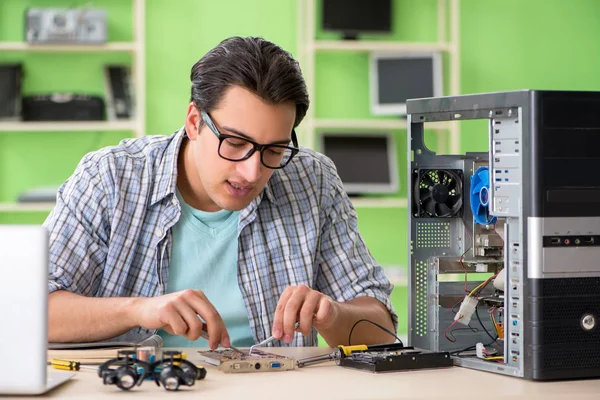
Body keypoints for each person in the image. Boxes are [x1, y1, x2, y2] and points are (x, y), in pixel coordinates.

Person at [45, 36, 397, 350]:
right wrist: (140, 308)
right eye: (235, 142)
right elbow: (31, 310)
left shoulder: (312, 179)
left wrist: (333, 314)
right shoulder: (109, 177)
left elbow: (382, 332)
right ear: (194, 122)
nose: (252, 172)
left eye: (274, 149)